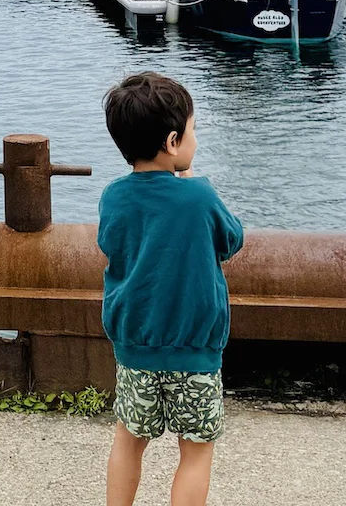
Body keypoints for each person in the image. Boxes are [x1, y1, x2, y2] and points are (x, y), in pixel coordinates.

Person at [97, 72, 245, 506]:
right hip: (194, 351)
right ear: (174, 141)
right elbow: (231, 239)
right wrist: (190, 180)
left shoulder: (113, 197)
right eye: (194, 130)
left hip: (135, 346)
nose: (196, 138)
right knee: (196, 452)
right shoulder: (198, 195)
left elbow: (112, 243)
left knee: (128, 441)